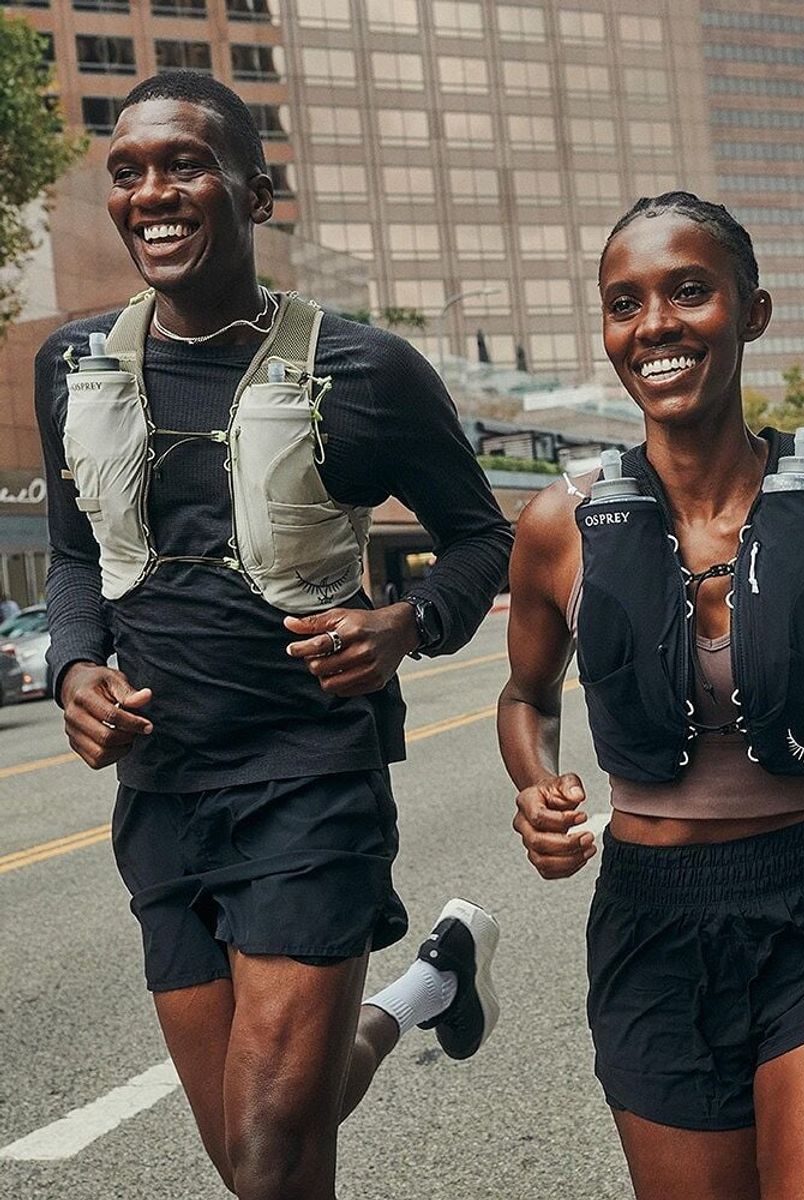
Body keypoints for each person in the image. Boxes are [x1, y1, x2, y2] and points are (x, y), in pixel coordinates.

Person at [35, 73, 510, 1199]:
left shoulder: (365, 371)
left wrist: (410, 620)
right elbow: (69, 558)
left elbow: (485, 536)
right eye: (130, 171)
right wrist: (72, 665)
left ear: (254, 189)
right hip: (162, 794)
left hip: (308, 780)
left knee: (265, 1153)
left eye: (185, 165)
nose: (154, 192)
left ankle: (421, 989)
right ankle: (430, 988)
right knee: (259, 1152)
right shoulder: (74, 365)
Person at [498, 192, 804, 1200]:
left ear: (753, 311)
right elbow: (525, 695)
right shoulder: (558, 523)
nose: (656, 325)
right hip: (650, 928)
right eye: (625, 303)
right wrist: (535, 782)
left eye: (690, 291)